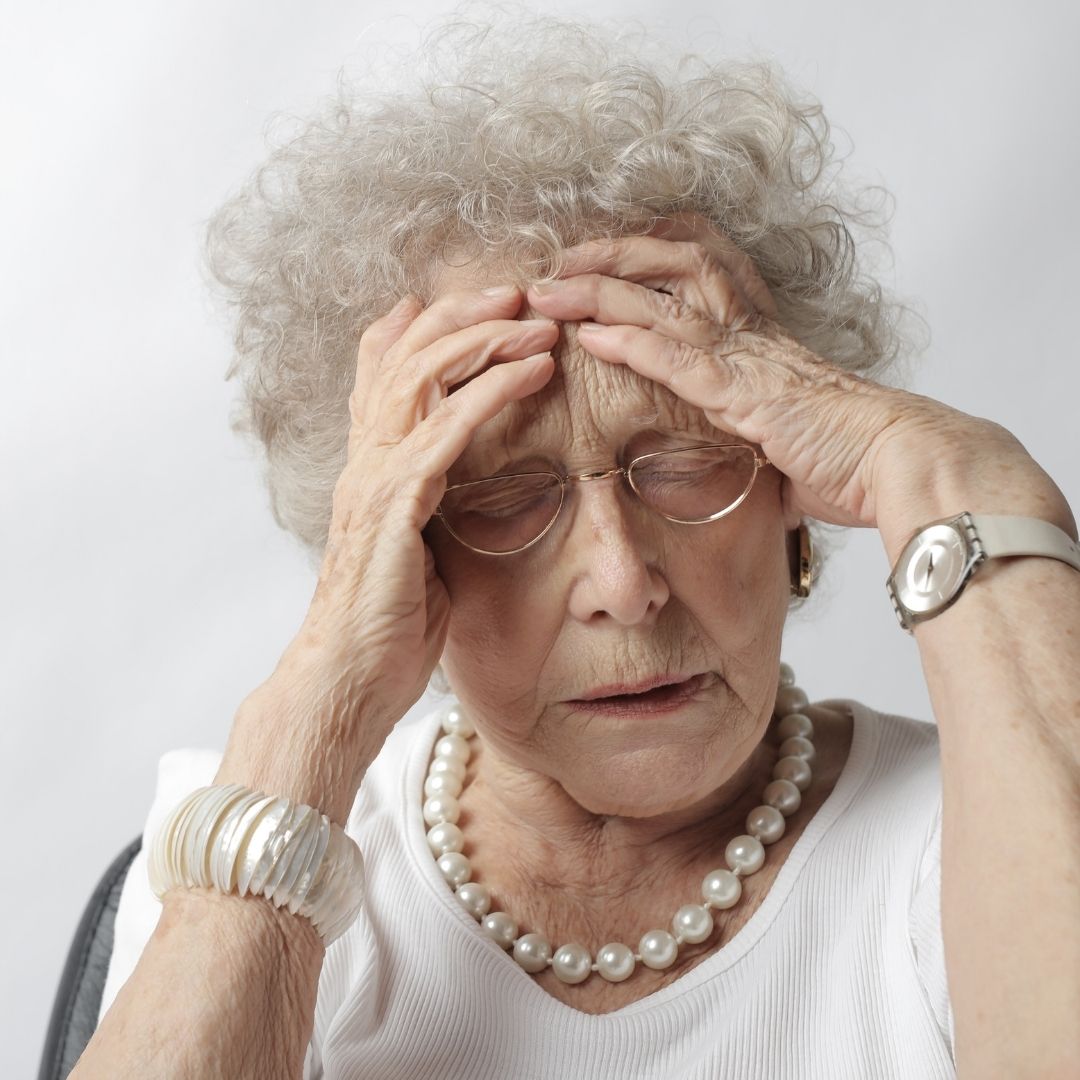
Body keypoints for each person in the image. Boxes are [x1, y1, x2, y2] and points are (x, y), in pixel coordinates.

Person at [74, 12, 1080, 1080]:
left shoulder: (980, 820)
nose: (622, 582)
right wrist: (312, 709)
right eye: (506, 496)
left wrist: (964, 479)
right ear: (401, 555)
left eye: (689, 463)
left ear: (796, 482)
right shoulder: (237, 847)